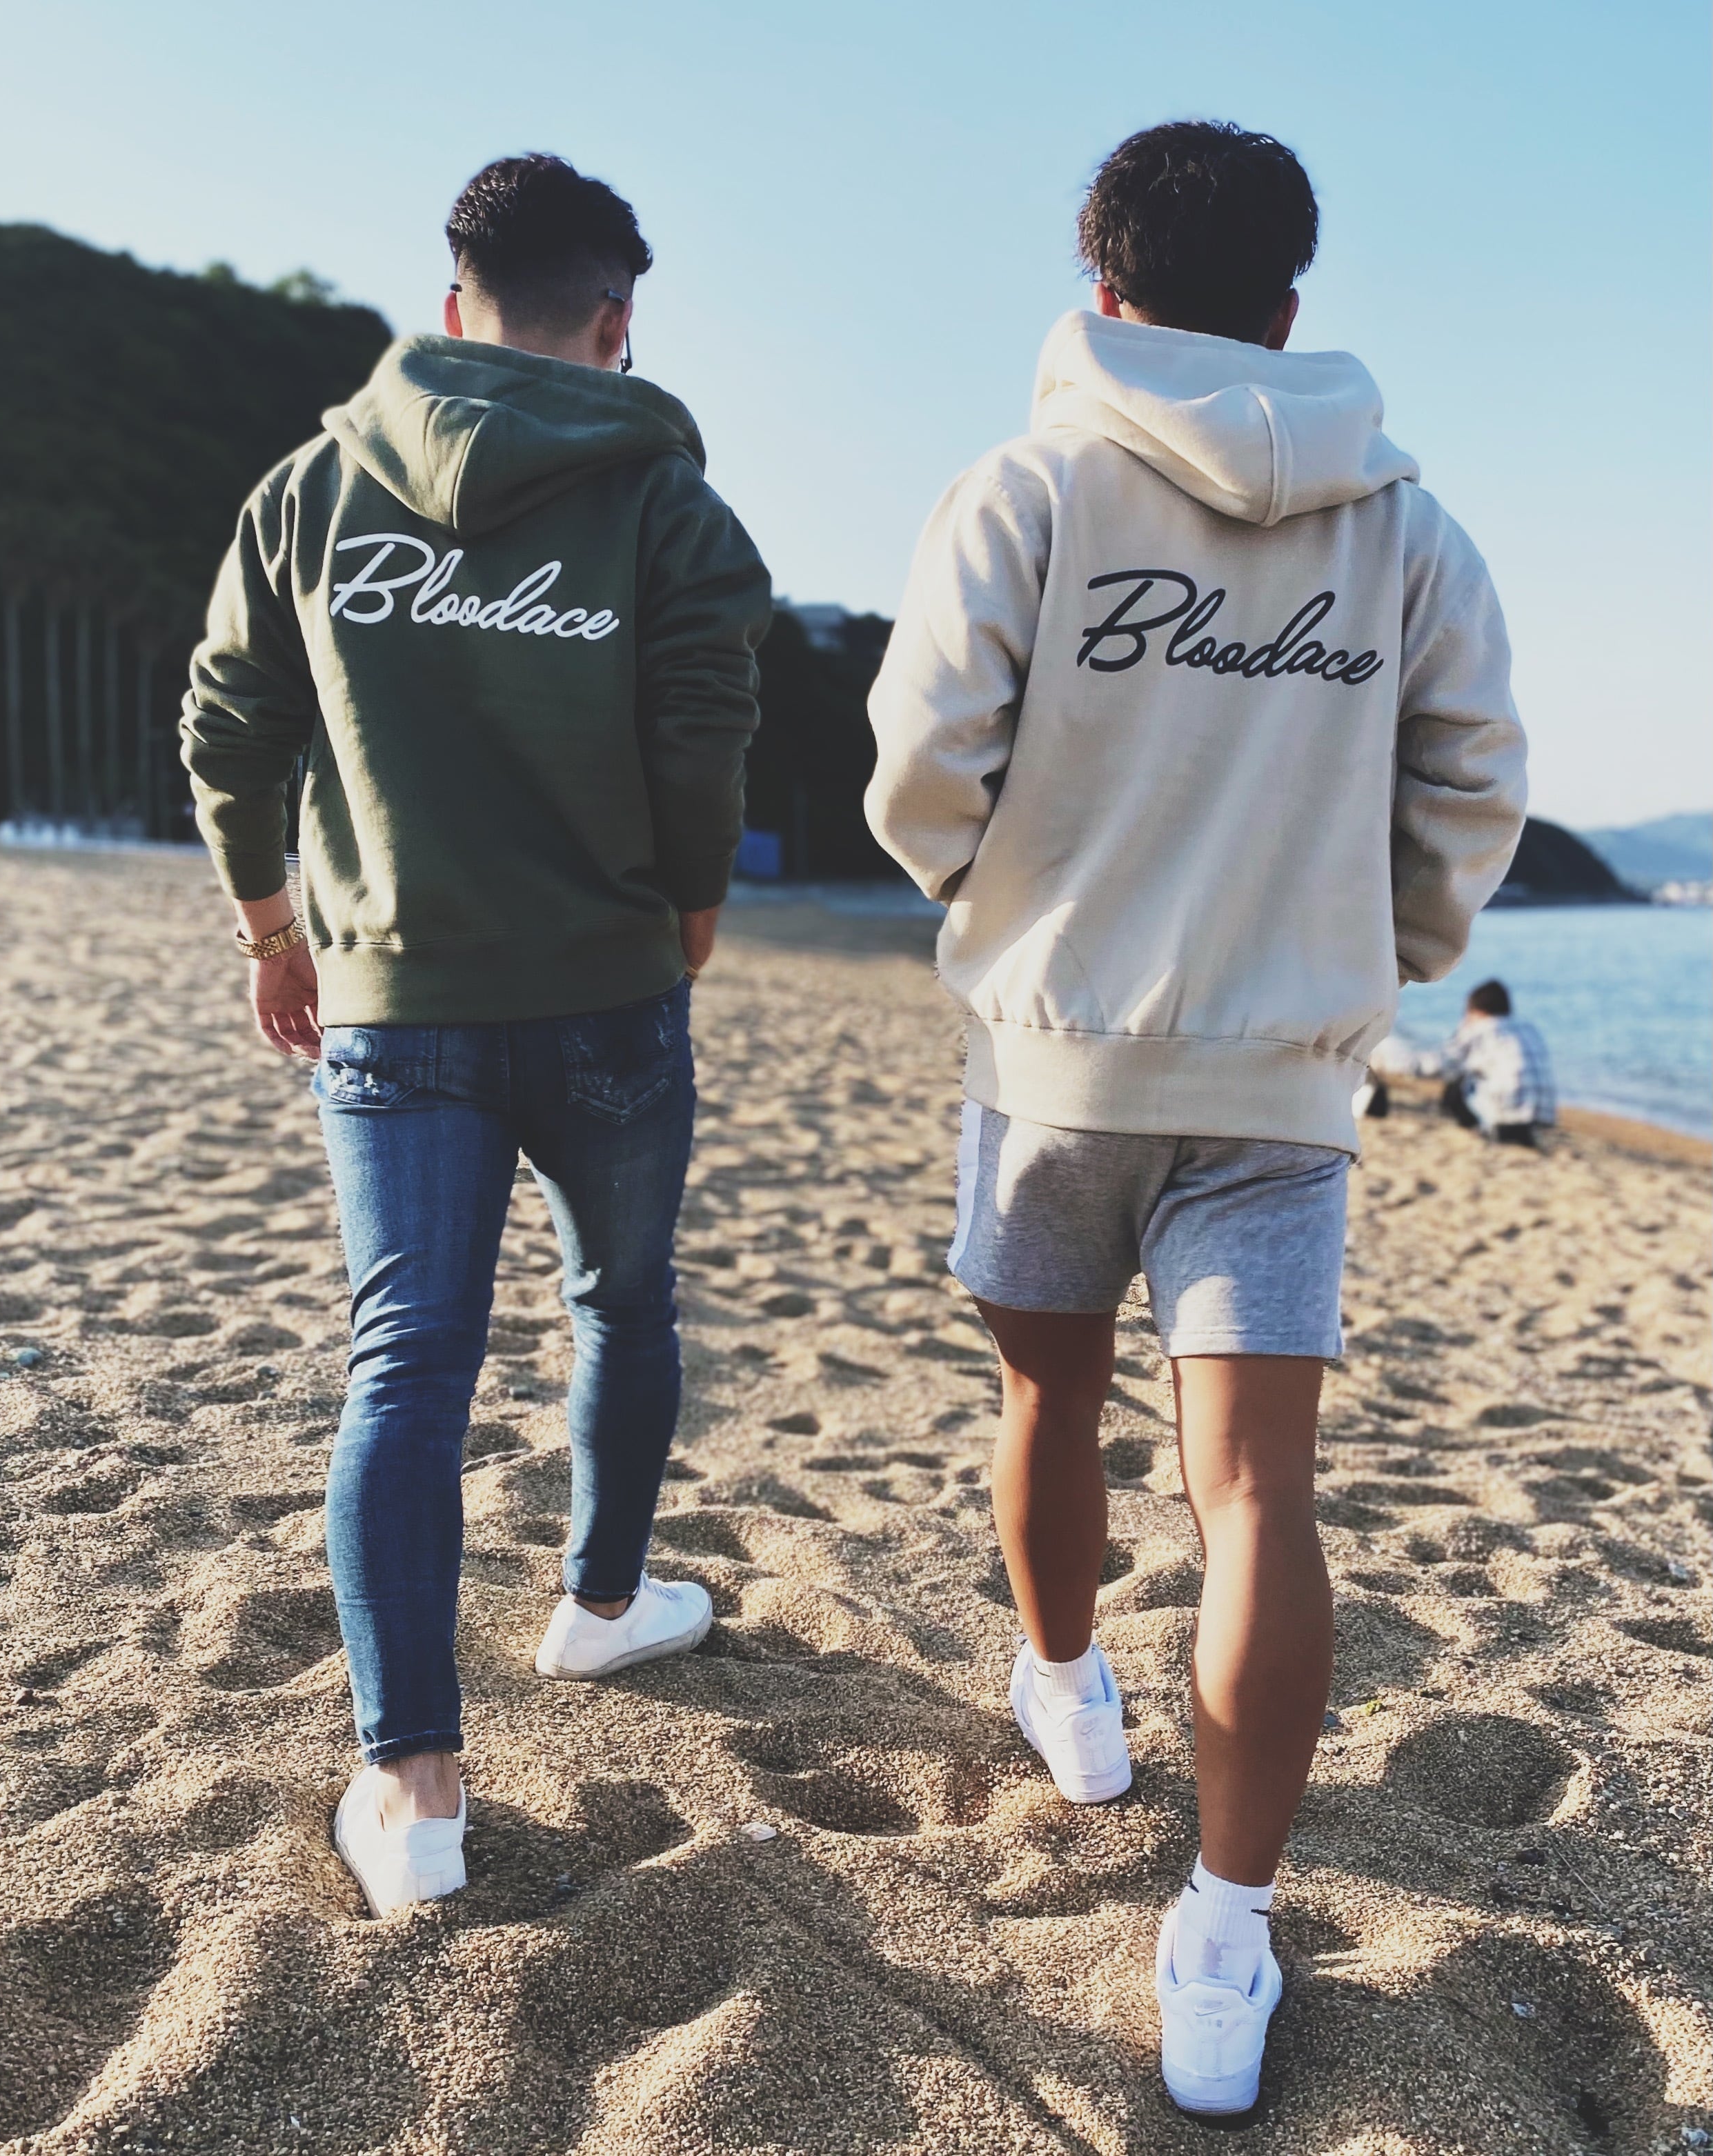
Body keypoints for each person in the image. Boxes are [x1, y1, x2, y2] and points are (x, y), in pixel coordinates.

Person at [866, 121, 1525, 2116]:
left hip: (1056, 1055)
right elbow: (1470, 781)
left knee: (1046, 1399)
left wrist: (1003, 916)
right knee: (1254, 1497)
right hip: (1276, 1083)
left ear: (1101, 287)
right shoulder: (1406, 528)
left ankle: (1072, 1699)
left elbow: (917, 760)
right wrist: (1378, 956)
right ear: (1288, 307)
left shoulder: (1025, 485)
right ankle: (1224, 1931)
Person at [180, 153, 771, 1918]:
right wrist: (689, 904)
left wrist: (270, 925)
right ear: (614, 323)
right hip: (608, 987)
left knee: (407, 1363)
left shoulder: (309, 490)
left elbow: (228, 725)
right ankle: (601, 1602)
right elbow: (703, 723)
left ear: (452, 306)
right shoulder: (666, 501)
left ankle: (413, 1785)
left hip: (396, 997)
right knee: (624, 1302)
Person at [1374, 979, 1556, 1144]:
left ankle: (1476, 1129)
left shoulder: (1481, 1030)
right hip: (1543, 1116)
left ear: (1476, 1012)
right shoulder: (1528, 1029)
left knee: (1457, 1081)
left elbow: (1438, 1065)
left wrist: (1391, 1058)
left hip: (1506, 1119)